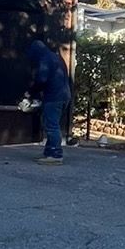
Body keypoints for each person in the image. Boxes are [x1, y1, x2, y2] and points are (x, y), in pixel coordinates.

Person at [26, 35, 72, 163]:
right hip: (65, 95)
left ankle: (56, 154)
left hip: (53, 97)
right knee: (53, 124)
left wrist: (31, 92)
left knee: (51, 126)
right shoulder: (57, 58)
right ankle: (49, 152)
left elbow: (42, 79)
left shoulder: (44, 59)